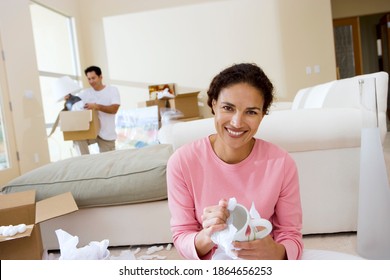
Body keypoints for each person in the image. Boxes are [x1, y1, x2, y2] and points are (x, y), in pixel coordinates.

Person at [166, 63, 303, 260]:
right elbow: (182, 237)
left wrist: (277, 253)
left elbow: (291, 234)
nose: (237, 123)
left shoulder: (282, 163)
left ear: (263, 115)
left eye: (251, 112)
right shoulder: (181, 162)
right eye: (228, 108)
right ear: (213, 105)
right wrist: (210, 234)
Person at [73, 66, 121, 155]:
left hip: (107, 134)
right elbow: (73, 103)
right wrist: (69, 99)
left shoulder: (112, 90)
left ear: (100, 77)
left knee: (108, 163)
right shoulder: (86, 93)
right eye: (89, 79)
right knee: (77, 138)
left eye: (93, 78)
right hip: (92, 131)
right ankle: (85, 162)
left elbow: (114, 109)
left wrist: (96, 106)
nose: (91, 81)